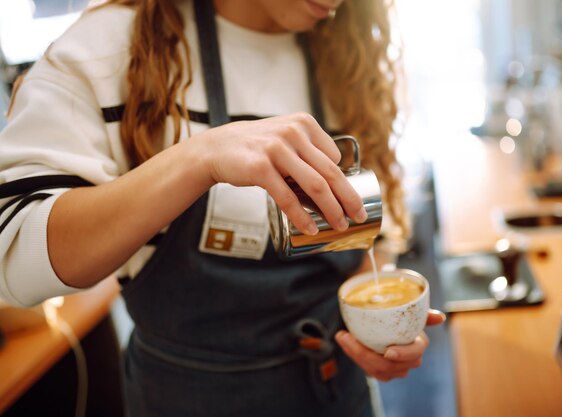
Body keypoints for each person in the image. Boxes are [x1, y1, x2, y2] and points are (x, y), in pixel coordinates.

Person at [0, 0, 446, 416]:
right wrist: (200, 158)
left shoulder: (348, 50)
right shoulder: (111, 49)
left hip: (337, 389)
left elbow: (373, 230)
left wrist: (373, 318)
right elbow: (13, 256)